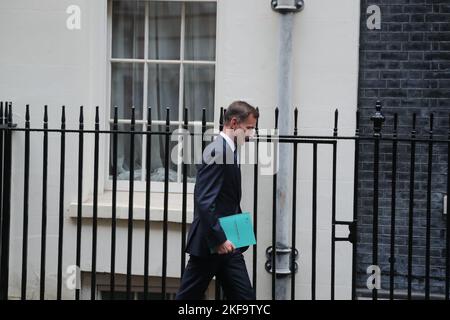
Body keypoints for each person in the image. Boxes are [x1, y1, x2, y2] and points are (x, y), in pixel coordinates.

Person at [175, 101, 259, 300]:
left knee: (245, 299)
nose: (252, 135)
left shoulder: (229, 150)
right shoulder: (218, 151)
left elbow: (224, 199)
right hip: (212, 243)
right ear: (233, 123)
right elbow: (204, 200)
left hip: (229, 243)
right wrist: (219, 239)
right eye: (249, 128)